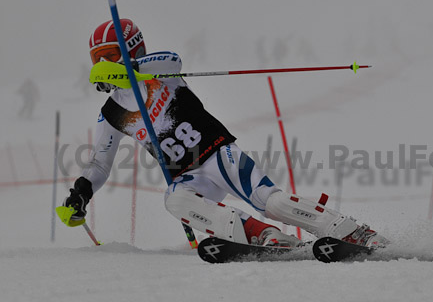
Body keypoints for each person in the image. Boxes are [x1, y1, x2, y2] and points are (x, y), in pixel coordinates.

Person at [61, 19, 386, 248]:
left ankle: (350, 230)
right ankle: (261, 236)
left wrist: (128, 70)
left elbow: (172, 59)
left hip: (218, 154)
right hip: (187, 175)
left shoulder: (158, 72)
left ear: (133, 49)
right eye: (97, 59)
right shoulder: (112, 113)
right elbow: (99, 165)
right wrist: (81, 194)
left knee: (268, 200)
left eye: (111, 55)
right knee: (176, 201)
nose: (102, 65)